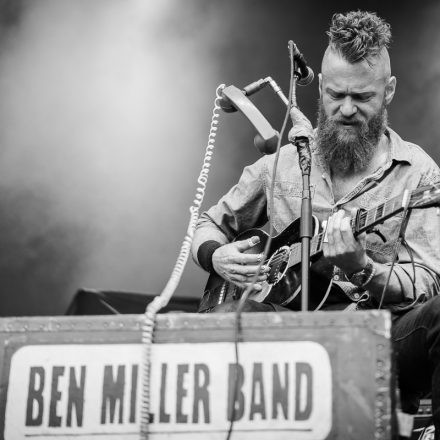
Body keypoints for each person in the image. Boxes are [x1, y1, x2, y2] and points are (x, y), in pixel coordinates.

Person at [192, 10, 440, 437]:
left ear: (389, 91)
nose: (346, 109)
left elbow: (429, 281)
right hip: (284, 337)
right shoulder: (282, 165)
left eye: (362, 97)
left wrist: (365, 270)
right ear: (320, 87)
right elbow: (209, 223)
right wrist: (217, 257)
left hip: (381, 338)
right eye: (336, 95)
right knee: (229, 317)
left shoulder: (419, 174)